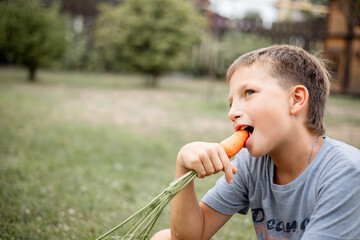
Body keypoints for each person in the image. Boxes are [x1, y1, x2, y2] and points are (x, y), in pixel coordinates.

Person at [151, 45, 360, 240]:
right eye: (231, 103)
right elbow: (189, 236)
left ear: (296, 99)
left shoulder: (345, 172)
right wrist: (183, 165)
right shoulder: (250, 164)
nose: (232, 113)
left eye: (248, 93)